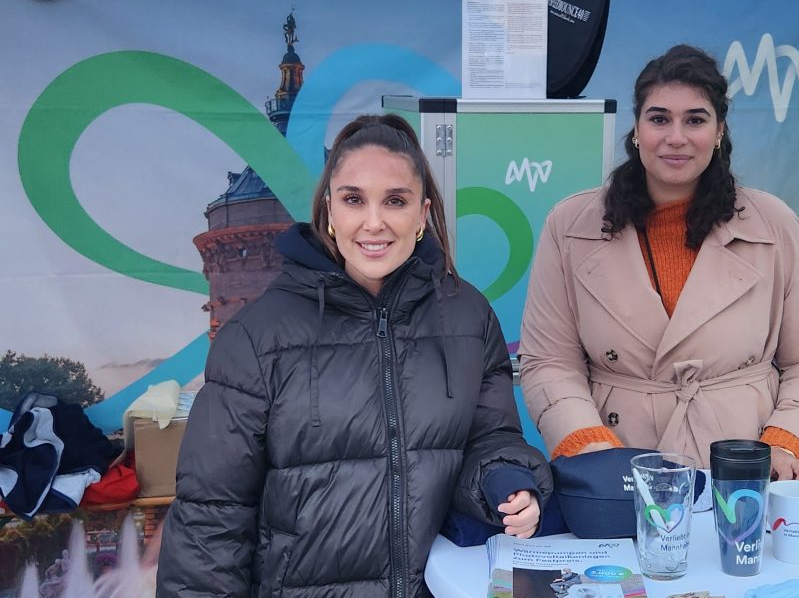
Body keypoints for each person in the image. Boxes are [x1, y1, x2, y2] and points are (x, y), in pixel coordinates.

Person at [157, 114, 552, 597]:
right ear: (328, 210)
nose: (374, 222)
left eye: (395, 201)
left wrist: (506, 478)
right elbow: (210, 517)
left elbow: (491, 436)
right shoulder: (257, 336)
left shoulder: (469, 317)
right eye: (353, 199)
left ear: (422, 213)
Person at [518, 44, 799, 481]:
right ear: (636, 129)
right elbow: (548, 360)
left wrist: (788, 440)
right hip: (618, 464)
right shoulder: (570, 225)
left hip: (743, 465)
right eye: (659, 119)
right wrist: (584, 440)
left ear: (719, 131)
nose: (676, 137)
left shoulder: (774, 225)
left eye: (695, 119)